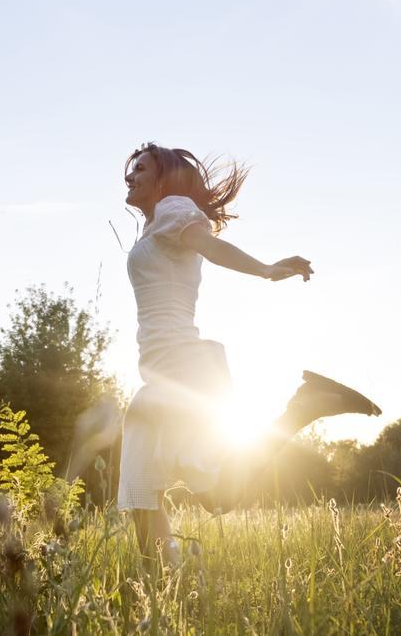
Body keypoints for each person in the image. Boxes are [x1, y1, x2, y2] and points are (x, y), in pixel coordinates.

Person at [116, 142, 381, 565]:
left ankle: (303, 409)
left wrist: (266, 270)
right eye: (130, 170)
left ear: (164, 178)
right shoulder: (154, 226)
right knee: (138, 493)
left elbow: (211, 246)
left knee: (217, 494)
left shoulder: (173, 210)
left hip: (181, 370)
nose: (130, 176)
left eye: (141, 169)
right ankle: (167, 588)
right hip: (158, 376)